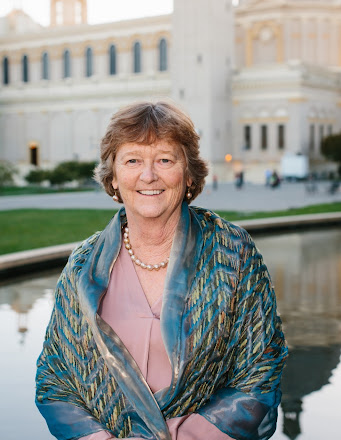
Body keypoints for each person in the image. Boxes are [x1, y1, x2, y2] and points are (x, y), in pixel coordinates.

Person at [36, 101, 288, 440]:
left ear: (188, 174)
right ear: (113, 178)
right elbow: (55, 376)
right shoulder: (83, 266)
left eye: (165, 160)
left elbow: (261, 365)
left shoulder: (234, 253)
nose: (148, 175)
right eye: (132, 160)